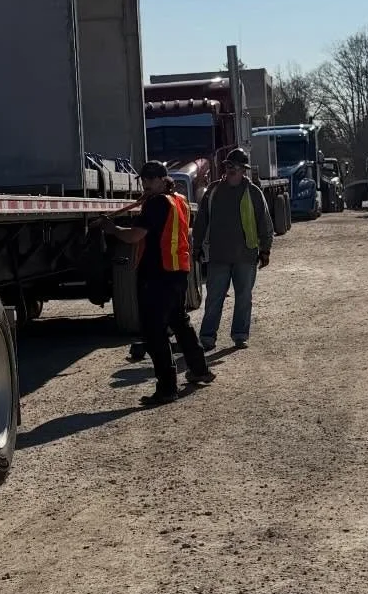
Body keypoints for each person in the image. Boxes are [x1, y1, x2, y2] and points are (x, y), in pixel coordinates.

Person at [101, 163, 215, 406]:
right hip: (178, 271)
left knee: (154, 332)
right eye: (144, 179)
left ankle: (167, 388)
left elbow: (135, 236)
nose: (146, 183)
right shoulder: (179, 200)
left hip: (157, 274)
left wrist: (112, 229)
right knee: (180, 323)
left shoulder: (156, 203)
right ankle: (200, 369)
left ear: (164, 179)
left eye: (151, 179)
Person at [195, 147, 273, 351]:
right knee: (214, 299)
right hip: (218, 256)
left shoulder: (253, 193)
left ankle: (240, 335)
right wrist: (196, 246)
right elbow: (201, 220)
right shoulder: (213, 191)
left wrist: (265, 250)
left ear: (243, 170)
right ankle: (207, 337)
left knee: (244, 298)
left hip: (245, 256)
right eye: (229, 165)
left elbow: (264, 223)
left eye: (236, 166)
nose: (231, 169)